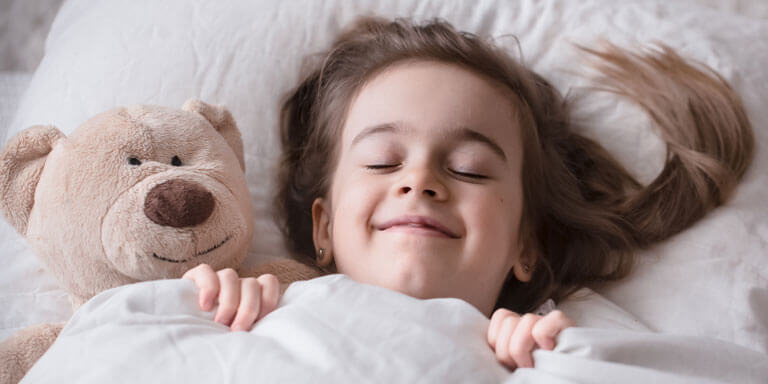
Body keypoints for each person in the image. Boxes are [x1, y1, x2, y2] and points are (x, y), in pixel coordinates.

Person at [182, 17, 753, 370]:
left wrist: (555, 358)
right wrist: (206, 309)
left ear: (525, 243)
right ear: (323, 226)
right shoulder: (261, 310)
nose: (419, 181)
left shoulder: (547, 347)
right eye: (383, 161)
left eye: (471, 169)